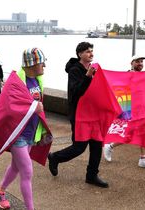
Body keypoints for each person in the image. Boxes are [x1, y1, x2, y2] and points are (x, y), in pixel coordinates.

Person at [0, 48, 49, 210]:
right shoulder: (15, 82)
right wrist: (34, 107)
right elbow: (8, 107)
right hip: (17, 134)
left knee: (16, 166)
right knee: (27, 172)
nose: (44, 66)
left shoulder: (37, 80)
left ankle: (0, 191)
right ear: (32, 64)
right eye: (42, 62)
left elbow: (36, 105)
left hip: (31, 133)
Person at [47, 42, 109, 188]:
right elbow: (76, 93)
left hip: (94, 114)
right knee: (79, 147)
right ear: (80, 54)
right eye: (87, 51)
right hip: (80, 115)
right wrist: (88, 76)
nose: (91, 54)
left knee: (96, 146)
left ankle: (92, 175)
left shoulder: (94, 69)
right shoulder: (75, 70)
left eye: (92, 51)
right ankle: (55, 157)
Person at [103, 55, 145, 170]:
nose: (140, 63)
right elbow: (116, 88)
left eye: (142, 61)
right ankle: (110, 146)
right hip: (130, 111)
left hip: (143, 110)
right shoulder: (126, 76)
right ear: (131, 63)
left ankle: (143, 158)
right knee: (128, 135)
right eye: (137, 61)